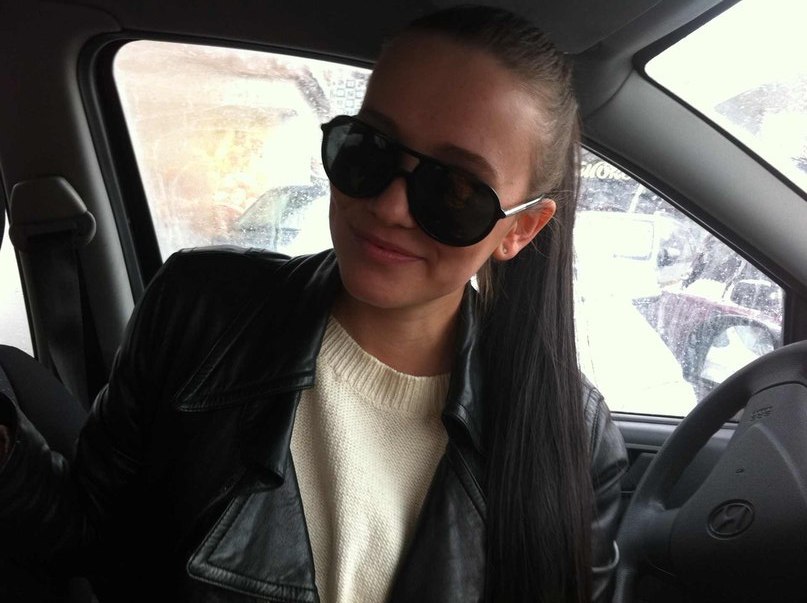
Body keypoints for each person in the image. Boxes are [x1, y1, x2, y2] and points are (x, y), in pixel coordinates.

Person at [0, 5, 627, 602]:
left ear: (521, 229)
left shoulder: (574, 437)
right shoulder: (199, 311)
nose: (389, 207)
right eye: (369, 148)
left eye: (458, 191)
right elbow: (90, 534)